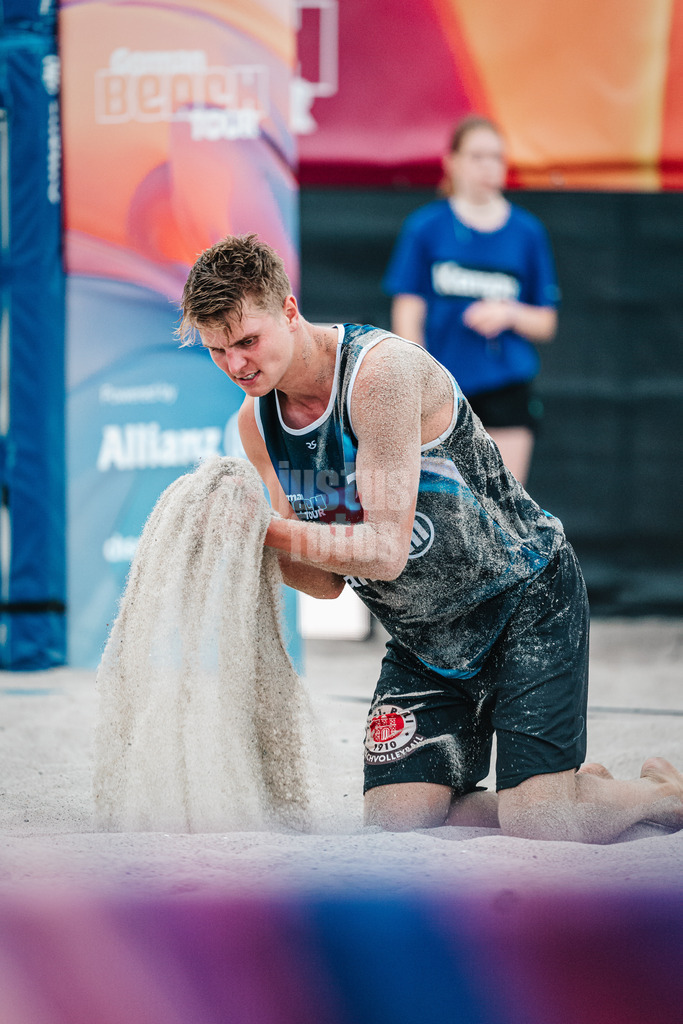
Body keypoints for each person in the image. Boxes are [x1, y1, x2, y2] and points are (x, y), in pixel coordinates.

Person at [179, 233, 683, 843]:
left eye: (247, 341)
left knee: (541, 827)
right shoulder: (256, 422)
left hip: (524, 602)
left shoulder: (378, 373)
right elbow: (324, 585)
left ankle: (653, 795)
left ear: (289, 310)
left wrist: (266, 529)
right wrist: (246, 540)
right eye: (217, 351)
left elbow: (385, 553)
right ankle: (572, 791)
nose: (236, 364)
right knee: (399, 826)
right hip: (425, 633)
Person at [384, 115, 558, 486]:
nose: (488, 167)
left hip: (506, 386)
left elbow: (546, 321)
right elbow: (407, 310)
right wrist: (418, 380)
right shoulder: (426, 228)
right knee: (443, 506)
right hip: (442, 388)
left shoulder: (527, 232)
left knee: (504, 508)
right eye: (477, 156)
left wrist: (509, 313)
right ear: (453, 162)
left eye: (496, 157)